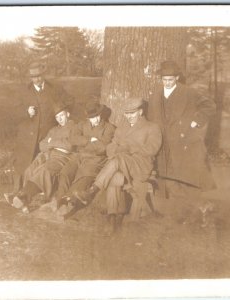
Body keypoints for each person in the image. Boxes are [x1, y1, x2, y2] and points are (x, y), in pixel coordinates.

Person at [74, 97, 162, 233]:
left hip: (140, 166)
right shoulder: (122, 128)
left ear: (141, 112)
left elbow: (151, 149)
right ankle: (113, 219)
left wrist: (128, 148)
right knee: (115, 177)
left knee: (117, 159)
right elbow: (110, 148)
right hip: (119, 164)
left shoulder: (152, 127)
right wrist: (119, 150)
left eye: (132, 113)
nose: (129, 116)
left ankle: (93, 191)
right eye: (126, 113)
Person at [147, 60, 216, 224]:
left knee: (184, 179)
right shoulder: (156, 94)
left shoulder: (188, 92)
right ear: (161, 79)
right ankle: (196, 208)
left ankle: (195, 209)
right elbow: (151, 116)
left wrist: (196, 121)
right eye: (165, 79)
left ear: (177, 78)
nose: (168, 82)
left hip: (182, 142)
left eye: (171, 79)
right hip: (163, 143)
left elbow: (209, 105)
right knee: (167, 179)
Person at [4, 61, 72, 203]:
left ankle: (33, 196)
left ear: (43, 74)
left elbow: (68, 102)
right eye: (34, 77)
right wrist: (26, 112)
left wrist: (64, 114)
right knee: (23, 164)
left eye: (39, 76)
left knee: (41, 165)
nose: (37, 79)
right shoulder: (24, 92)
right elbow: (12, 113)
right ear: (30, 78)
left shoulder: (54, 89)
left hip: (46, 135)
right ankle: (17, 192)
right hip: (27, 136)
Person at [7, 102, 75, 213]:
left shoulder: (74, 127)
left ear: (68, 114)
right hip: (47, 154)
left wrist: (51, 142)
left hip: (62, 157)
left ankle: (23, 196)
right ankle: (26, 203)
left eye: (62, 115)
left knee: (44, 171)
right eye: (57, 117)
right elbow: (42, 145)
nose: (60, 119)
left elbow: (69, 146)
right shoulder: (54, 130)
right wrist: (55, 143)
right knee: (30, 169)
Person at [54, 101, 115, 217]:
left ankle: (69, 204)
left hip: (95, 159)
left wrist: (83, 143)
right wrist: (89, 140)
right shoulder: (82, 125)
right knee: (65, 172)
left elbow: (102, 148)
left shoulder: (109, 128)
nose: (95, 120)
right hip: (79, 156)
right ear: (87, 118)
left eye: (97, 116)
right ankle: (60, 204)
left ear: (101, 114)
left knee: (84, 177)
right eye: (91, 118)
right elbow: (72, 138)